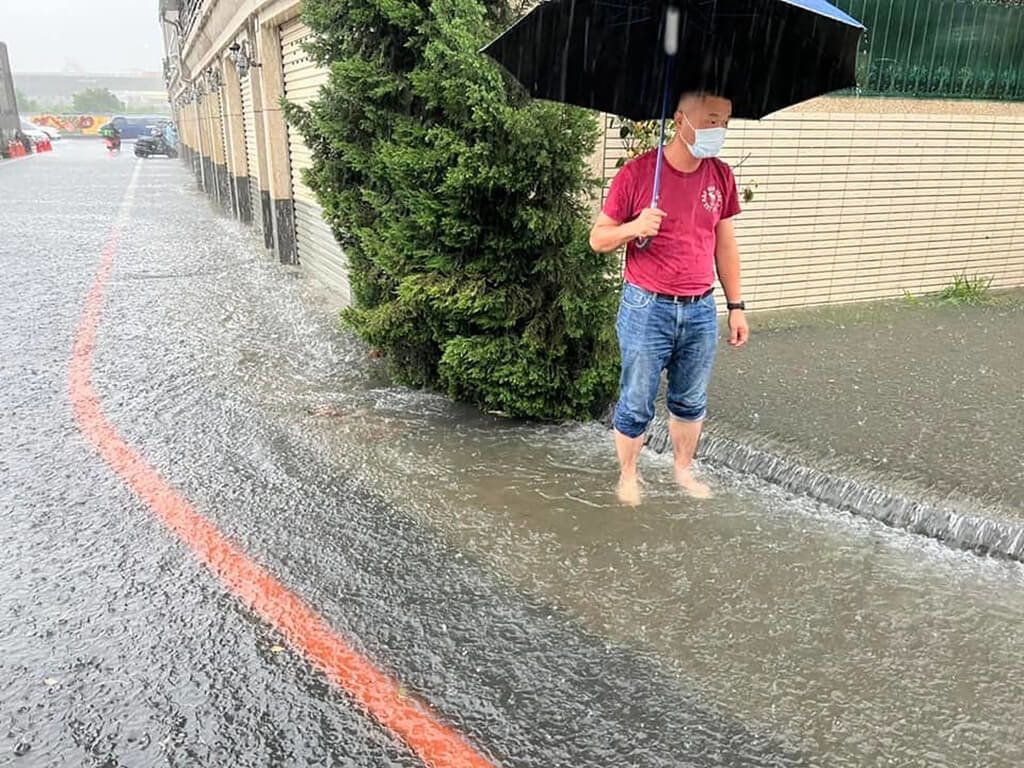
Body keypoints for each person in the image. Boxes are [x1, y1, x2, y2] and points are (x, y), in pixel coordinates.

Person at [589, 91, 749, 506]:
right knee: (637, 398)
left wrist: (736, 306)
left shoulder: (721, 176)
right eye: (711, 120)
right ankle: (628, 475)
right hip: (647, 306)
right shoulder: (639, 174)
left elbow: (724, 244)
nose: (719, 130)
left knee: (690, 400)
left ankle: (682, 470)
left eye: (726, 122)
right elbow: (598, 238)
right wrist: (634, 227)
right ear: (680, 121)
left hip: (699, 308)